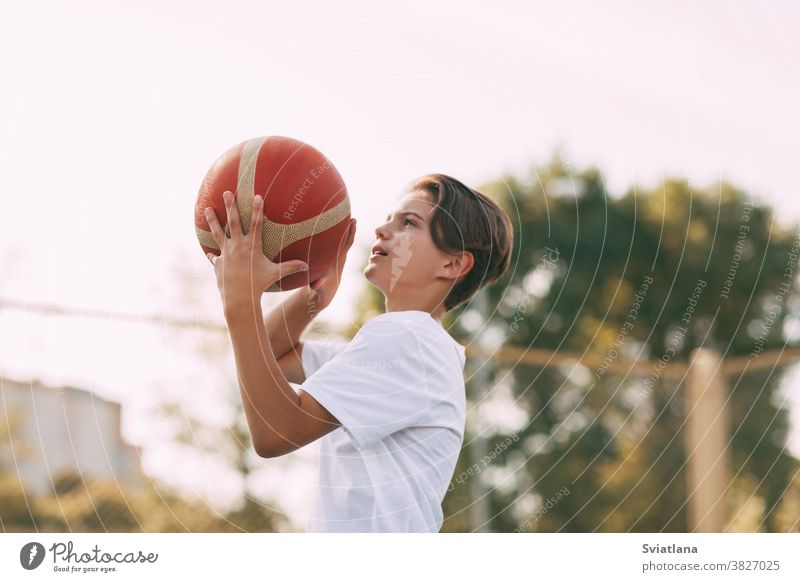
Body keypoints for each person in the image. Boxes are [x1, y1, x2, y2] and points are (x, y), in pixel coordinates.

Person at [205, 173, 513, 532]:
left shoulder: (408, 340)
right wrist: (314, 296)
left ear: (453, 265)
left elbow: (275, 432)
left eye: (409, 223)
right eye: (389, 218)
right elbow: (270, 354)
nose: (383, 230)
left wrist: (240, 302)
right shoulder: (409, 346)